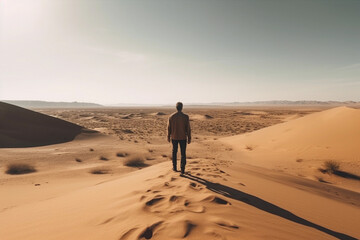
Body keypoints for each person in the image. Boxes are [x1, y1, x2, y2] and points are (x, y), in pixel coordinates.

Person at [167, 102, 191, 174]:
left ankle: (174, 167)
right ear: (182, 107)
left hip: (174, 137)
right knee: (183, 153)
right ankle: (182, 169)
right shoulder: (185, 117)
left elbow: (169, 128)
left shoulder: (171, 116)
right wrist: (189, 137)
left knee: (174, 152)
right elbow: (188, 128)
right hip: (183, 137)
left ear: (176, 107)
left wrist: (168, 136)